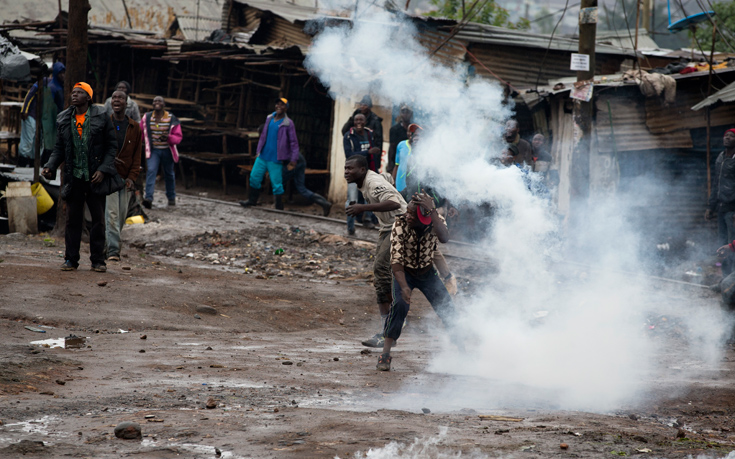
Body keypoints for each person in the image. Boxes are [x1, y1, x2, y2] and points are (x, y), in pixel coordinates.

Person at [377, 192, 458, 371]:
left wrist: (433, 212)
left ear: (424, 216)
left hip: (428, 273)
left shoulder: (436, 222)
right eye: (407, 211)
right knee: (399, 306)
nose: (407, 215)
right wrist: (404, 287)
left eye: (412, 214)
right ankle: (385, 354)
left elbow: (444, 238)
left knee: (447, 309)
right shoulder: (400, 224)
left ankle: (462, 349)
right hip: (404, 273)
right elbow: (396, 261)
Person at [41, 82, 117, 272]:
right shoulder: (64, 118)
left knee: (98, 221)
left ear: (88, 97)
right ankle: (71, 260)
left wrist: (103, 170)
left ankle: (98, 260)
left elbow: (111, 147)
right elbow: (59, 149)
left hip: (95, 177)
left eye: (80, 93)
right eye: (73, 92)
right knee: (72, 220)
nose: (74, 95)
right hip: (74, 177)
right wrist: (50, 166)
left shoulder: (101, 116)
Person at [344, 155, 407, 348]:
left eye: (350, 169)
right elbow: (388, 179)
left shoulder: (371, 182)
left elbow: (395, 203)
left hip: (399, 225)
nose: (346, 172)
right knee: (384, 275)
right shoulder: (371, 180)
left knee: (381, 274)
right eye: (345, 169)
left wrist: (364, 208)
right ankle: (391, 325)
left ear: (362, 170)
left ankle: (388, 330)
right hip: (388, 227)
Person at [239, 98, 298, 211]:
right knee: (254, 177)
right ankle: (252, 201)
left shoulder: (288, 123)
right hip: (263, 156)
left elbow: (293, 143)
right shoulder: (269, 118)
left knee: (276, 184)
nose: (279, 106)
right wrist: (258, 151)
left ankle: (279, 206)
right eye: (277, 104)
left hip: (276, 158)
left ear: (286, 108)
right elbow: (263, 136)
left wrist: (293, 160)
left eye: (282, 105)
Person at [105, 90, 142, 262]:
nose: (117, 100)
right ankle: (113, 251)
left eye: (120, 98)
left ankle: (109, 246)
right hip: (109, 176)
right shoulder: (106, 123)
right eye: (114, 98)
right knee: (112, 214)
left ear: (127, 103)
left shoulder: (134, 127)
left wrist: (132, 178)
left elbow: (137, 156)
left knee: (121, 215)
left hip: (126, 178)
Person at [19, 62, 66, 167]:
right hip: (31, 114)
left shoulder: (61, 88)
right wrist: (25, 110)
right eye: (60, 73)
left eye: (64, 73)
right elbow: (30, 94)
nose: (63, 75)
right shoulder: (44, 82)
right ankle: (21, 165)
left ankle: (32, 165)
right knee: (28, 141)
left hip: (43, 120)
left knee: (38, 144)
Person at [141, 96, 182, 208]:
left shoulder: (171, 118)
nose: (157, 102)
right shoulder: (147, 117)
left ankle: (171, 197)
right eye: (155, 101)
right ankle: (148, 198)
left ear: (164, 104)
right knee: (151, 171)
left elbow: (178, 137)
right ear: (152, 104)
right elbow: (141, 132)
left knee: (169, 173)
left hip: (167, 151)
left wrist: (168, 137)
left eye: (159, 101)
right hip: (154, 150)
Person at [343, 113, 380, 233]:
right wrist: (367, 153)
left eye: (361, 120)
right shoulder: (348, 136)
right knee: (352, 200)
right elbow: (349, 155)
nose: (359, 122)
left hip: (367, 172)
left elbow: (373, 153)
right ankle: (350, 227)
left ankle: (368, 219)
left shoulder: (369, 134)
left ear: (365, 122)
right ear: (353, 122)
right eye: (356, 120)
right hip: (353, 173)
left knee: (369, 198)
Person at [706, 128, 735, 245]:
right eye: (726, 135)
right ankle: (725, 264)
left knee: (731, 243)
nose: (727, 137)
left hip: (732, 210)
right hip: (721, 208)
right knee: (722, 243)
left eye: (732, 136)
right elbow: (716, 183)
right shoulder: (720, 157)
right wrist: (710, 207)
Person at [387, 104, 412, 173]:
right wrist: (390, 165)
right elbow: (391, 148)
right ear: (400, 114)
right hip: (398, 162)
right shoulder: (394, 129)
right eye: (403, 112)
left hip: (411, 163)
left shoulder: (414, 129)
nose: (405, 114)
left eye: (407, 112)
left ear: (411, 114)